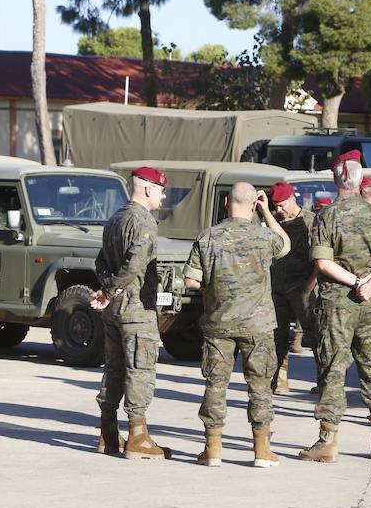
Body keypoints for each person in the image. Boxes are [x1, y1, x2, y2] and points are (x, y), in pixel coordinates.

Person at [300, 150, 371, 463]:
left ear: (335, 179)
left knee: (333, 369)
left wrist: (356, 283)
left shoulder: (327, 216)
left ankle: (328, 441)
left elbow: (323, 262)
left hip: (339, 305)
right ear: (359, 181)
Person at [184, 182, 290, 468]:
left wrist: (215, 287)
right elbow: (286, 245)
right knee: (260, 387)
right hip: (258, 327)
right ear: (253, 205)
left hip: (219, 325)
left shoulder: (208, 238)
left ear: (226, 204)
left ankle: (213, 450)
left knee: (215, 385)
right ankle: (261, 451)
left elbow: (191, 280)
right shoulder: (264, 237)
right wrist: (268, 213)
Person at [92, 166, 172, 459]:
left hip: (114, 310)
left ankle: (108, 434)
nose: (164, 198)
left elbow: (100, 261)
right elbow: (136, 264)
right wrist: (111, 290)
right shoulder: (144, 221)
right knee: (140, 370)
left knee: (113, 369)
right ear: (149, 189)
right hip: (136, 309)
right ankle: (138, 438)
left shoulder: (116, 218)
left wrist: (105, 290)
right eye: (162, 191)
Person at [269, 181, 318, 394]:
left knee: (315, 335)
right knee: (277, 336)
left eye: (282, 205)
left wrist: (312, 282)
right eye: (276, 207)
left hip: (303, 286)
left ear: (292, 199)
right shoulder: (272, 221)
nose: (280, 211)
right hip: (278, 286)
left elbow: (321, 254)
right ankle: (279, 378)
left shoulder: (311, 221)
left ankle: (325, 381)